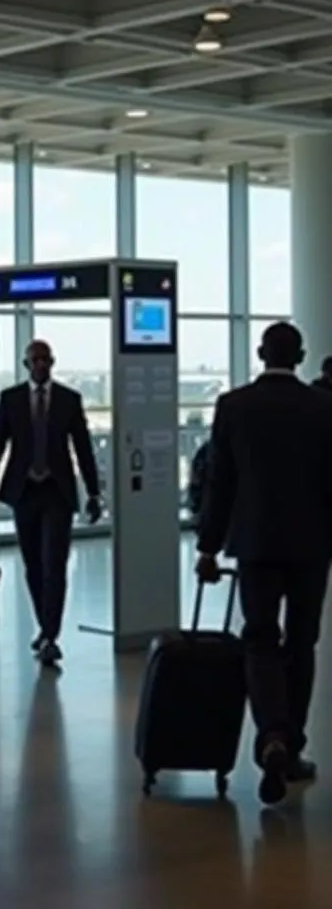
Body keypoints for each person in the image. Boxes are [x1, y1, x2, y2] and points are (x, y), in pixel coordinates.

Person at [196, 321, 332, 806]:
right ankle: (291, 746)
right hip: (313, 545)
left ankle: (270, 732)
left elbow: (219, 482)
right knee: (302, 640)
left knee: (259, 639)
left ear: (259, 352)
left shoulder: (234, 406)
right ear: (300, 357)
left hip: (254, 543)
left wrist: (208, 545)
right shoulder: (324, 407)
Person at [0, 339, 101, 667]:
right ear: (26, 364)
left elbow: (83, 447)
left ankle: (50, 634)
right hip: (24, 491)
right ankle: (45, 627)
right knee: (33, 564)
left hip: (57, 490)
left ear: (53, 361)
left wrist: (93, 491)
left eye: (46, 359)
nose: (41, 364)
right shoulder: (11, 399)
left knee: (55, 563)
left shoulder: (69, 400)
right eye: (35, 360)